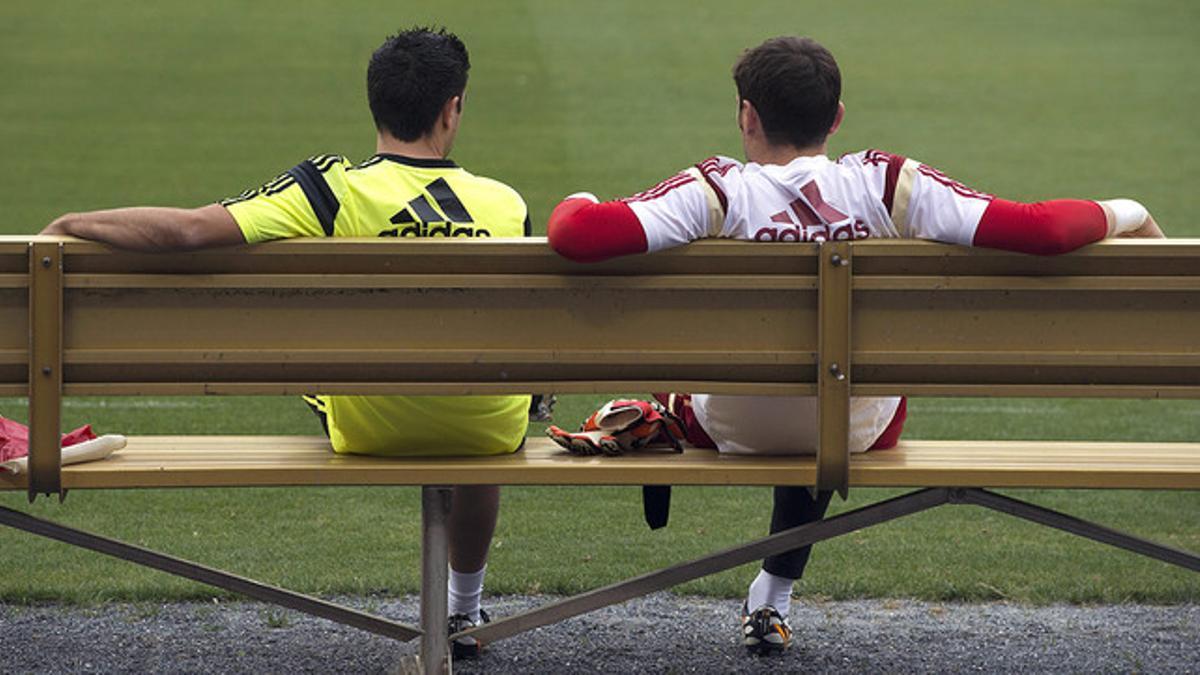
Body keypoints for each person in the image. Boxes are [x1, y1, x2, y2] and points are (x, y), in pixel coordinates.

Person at [545, 36, 1164, 656]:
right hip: (862, 424)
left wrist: (580, 198)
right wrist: (1128, 210)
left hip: (730, 423)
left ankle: (654, 427)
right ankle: (774, 594)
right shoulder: (888, 183)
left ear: (746, 115)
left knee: (732, 377)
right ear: (836, 117)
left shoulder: (716, 190)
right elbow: (1045, 229)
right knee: (830, 381)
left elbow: (576, 232)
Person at [41, 26, 530, 659]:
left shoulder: (328, 189)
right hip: (488, 433)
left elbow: (190, 232)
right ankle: (463, 610)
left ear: (375, 104)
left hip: (372, 430)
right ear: (452, 108)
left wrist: (72, 225)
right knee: (478, 385)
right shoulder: (505, 203)